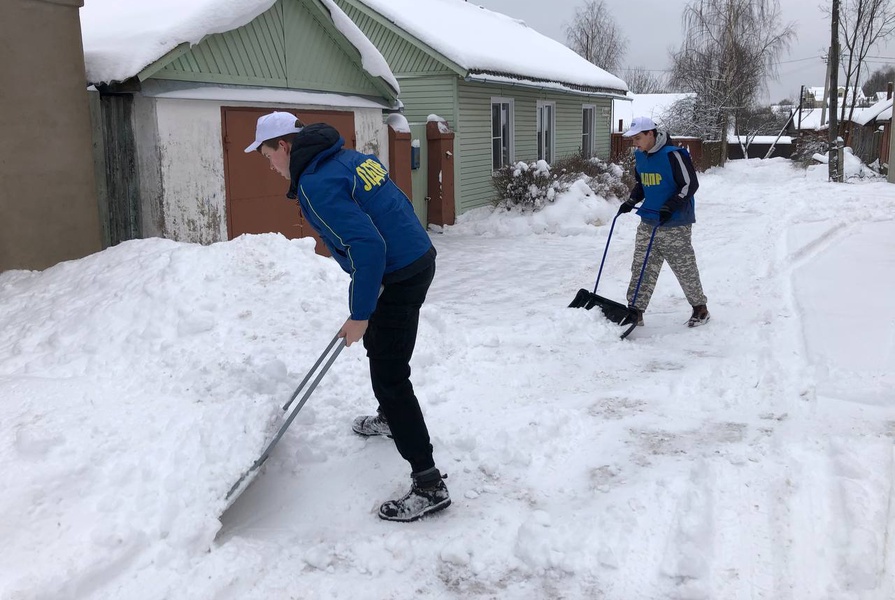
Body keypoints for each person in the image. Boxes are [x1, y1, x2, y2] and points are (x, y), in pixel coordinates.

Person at [244, 111, 450, 522]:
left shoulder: (317, 183)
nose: (269, 165)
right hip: (416, 259)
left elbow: (367, 247)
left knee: (390, 376)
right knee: (383, 349)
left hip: (399, 272)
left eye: (268, 155)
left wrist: (360, 312)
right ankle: (390, 419)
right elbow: (394, 206)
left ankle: (429, 485)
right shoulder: (348, 159)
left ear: (284, 146)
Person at [616, 116, 710, 328]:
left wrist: (672, 204)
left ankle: (700, 308)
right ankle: (635, 311)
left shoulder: (674, 155)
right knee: (641, 266)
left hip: (675, 222)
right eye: (633, 140)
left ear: (651, 133)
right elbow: (642, 184)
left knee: (683, 267)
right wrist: (631, 201)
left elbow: (689, 185)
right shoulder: (641, 157)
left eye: (638, 138)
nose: (635, 144)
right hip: (648, 219)